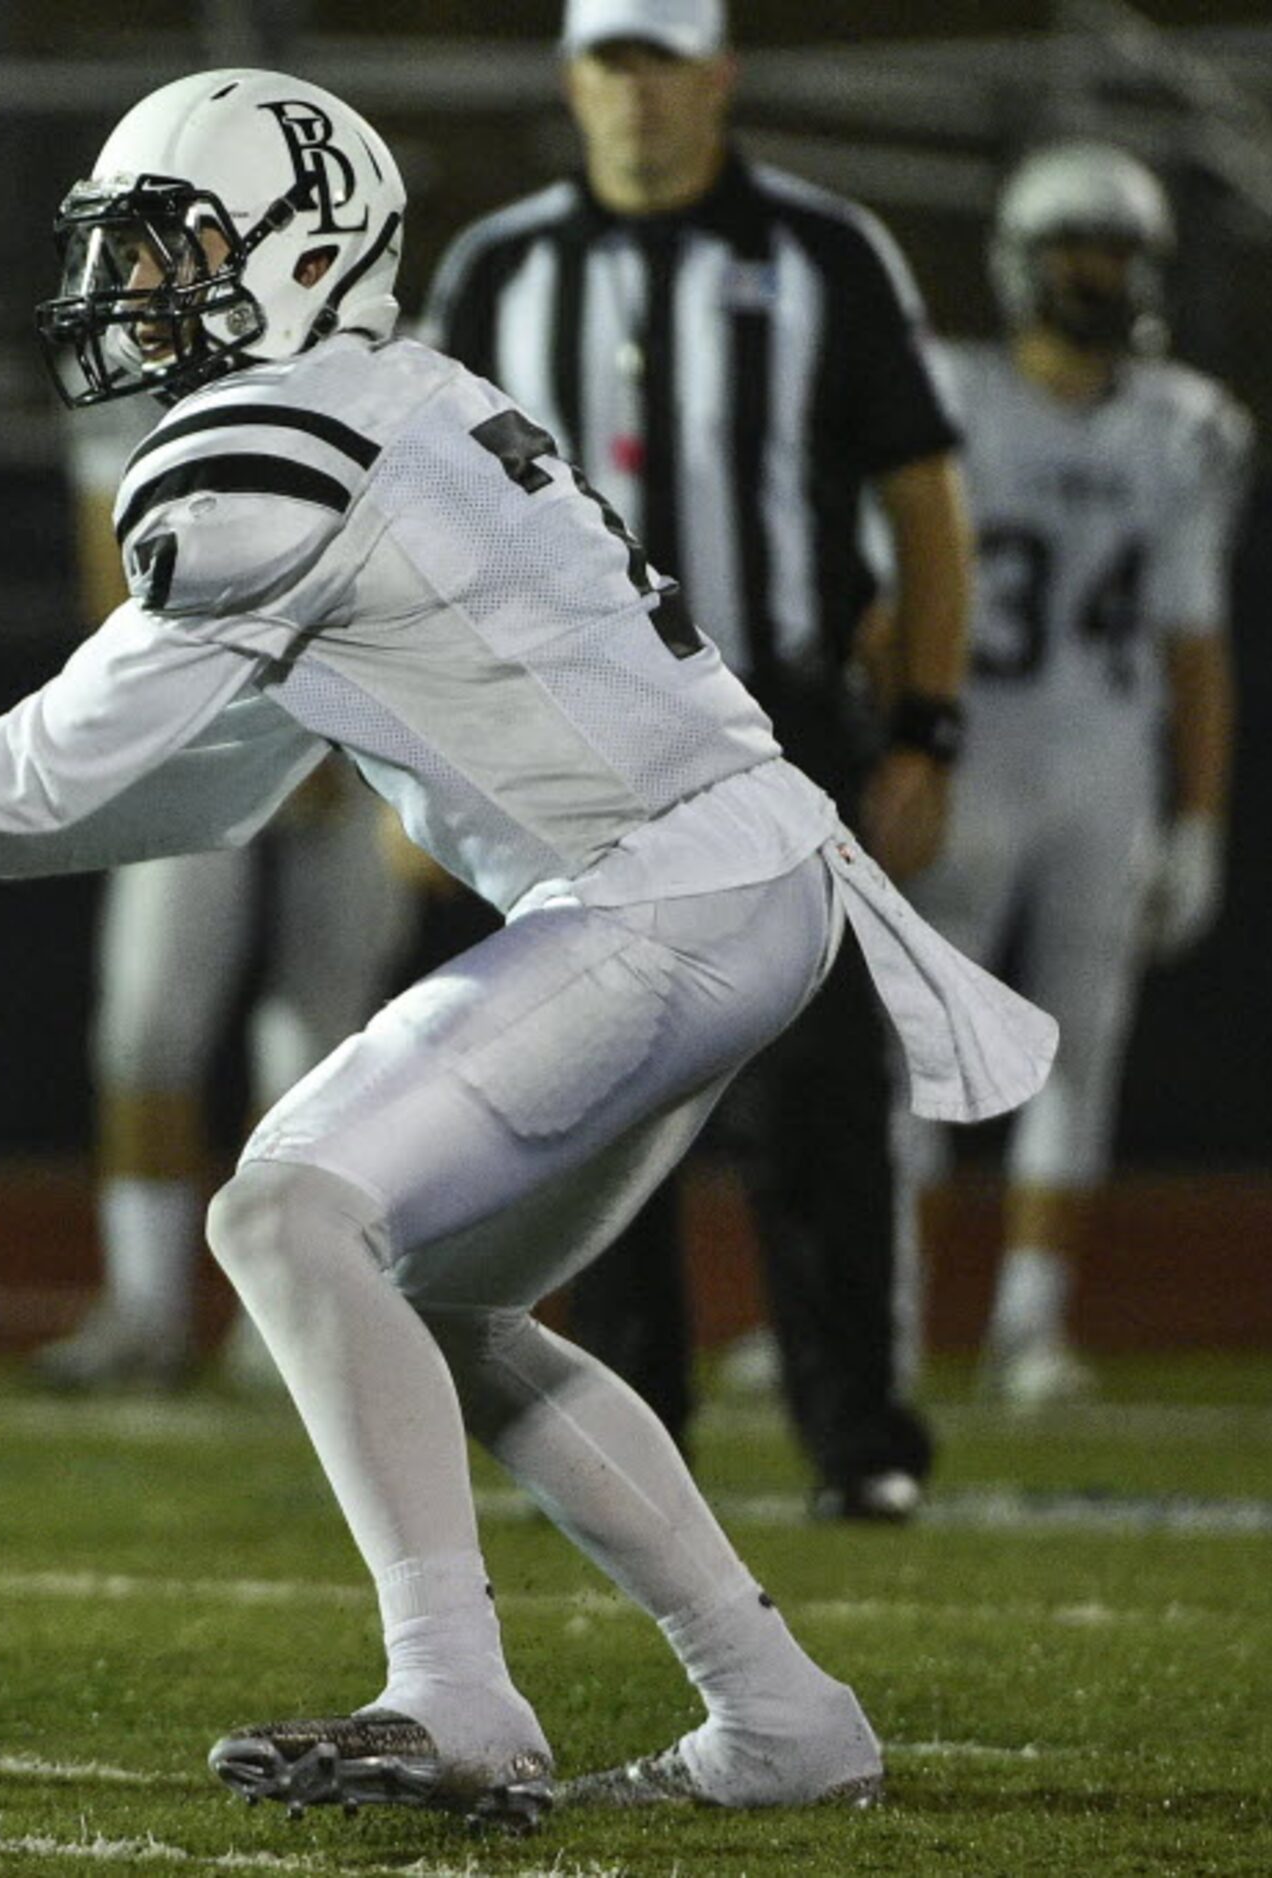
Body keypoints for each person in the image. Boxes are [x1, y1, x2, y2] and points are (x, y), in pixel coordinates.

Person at [0, 69, 1051, 1825]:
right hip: (740, 876)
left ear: (307, 248)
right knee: (448, 1297)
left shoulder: (268, 443)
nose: (135, 291)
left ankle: (457, 1693)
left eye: (177, 246)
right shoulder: (381, 405)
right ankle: (781, 1710)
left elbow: (54, 764)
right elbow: (193, 795)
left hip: (666, 886)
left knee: (283, 1208)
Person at [419, 0, 975, 1519]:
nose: (638, 93)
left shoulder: (825, 251)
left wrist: (926, 720)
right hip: (565, 734)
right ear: (571, 77)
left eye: (664, 61)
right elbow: (424, 525)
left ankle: (858, 1438)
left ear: (720, 75)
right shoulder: (499, 268)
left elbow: (925, 502)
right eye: (613, 60)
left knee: (818, 1103)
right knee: (584, 1094)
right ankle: (622, 1426)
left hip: (780, 720)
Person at [893, 143, 1250, 1409]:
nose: (1098, 277)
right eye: (1075, 252)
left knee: (1079, 1049)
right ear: (1021, 266)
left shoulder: (1185, 425)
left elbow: (1194, 644)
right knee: (924, 1048)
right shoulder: (949, 393)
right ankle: (886, 1315)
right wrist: (896, 747)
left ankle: (1030, 1327)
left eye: (1117, 253)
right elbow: (896, 602)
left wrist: (1200, 815)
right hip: (974, 754)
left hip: (1107, 765)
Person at [34, 400, 419, 1393]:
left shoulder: (374, 373)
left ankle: (284, 1309)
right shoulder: (130, 389)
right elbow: (113, 592)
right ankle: (147, 1310)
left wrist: (324, 722)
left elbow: (409, 579)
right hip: (189, 725)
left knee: (320, 1034)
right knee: (148, 1027)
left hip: (363, 722)